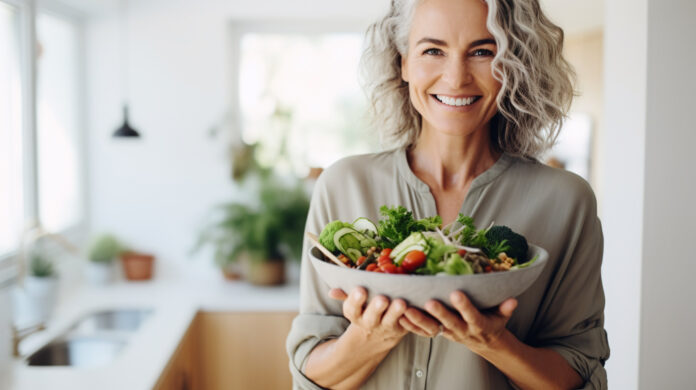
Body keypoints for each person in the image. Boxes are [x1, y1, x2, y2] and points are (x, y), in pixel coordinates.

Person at [286, 0, 610, 388]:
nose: (456, 78)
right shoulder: (343, 184)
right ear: (404, 61)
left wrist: (493, 342)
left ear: (513, 63)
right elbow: (309, 371)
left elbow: (580, 372)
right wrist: (371, 336)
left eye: (482, 51)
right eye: (433, 50)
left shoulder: (566, 201)